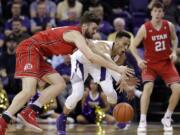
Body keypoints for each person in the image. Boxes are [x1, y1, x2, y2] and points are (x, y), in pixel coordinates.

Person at [0, 11, 132, 135]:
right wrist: (118, 69)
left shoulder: (83, 40)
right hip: (30, 48)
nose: (95, 31)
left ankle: (30, 111)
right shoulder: (76, 35)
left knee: (60, 84)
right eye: (93, 28)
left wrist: (117, 70)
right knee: (29, 91)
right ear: (85, 26)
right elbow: (91, 57)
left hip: (39, 54)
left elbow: (99, 55)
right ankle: (3, 120)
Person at [56, 31, 135, 134]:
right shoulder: (104, 46)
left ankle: (116, 113)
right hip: (81, 60)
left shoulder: (117, 55)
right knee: (77, 94)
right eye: (124, 44)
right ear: (116, 41)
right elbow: (109, 62)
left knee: (110, 92)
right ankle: (62, 118)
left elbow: (110, 66)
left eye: (128, 45)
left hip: (98, 64)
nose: (125, 48)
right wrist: (120, 76)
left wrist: (125, 84)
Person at [130, 2, 180, 132]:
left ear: (163, 13)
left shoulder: (169, 25)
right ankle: (142, 120)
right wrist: (139, 59)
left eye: (160, 11)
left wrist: (174, 52)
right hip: (150, 63)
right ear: (151, 12)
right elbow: (132, 46)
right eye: (155, 11)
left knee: (178, 89)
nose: (157, 13)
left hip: (166, 62)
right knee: (148, 87)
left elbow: (174, 39)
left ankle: (167, 117)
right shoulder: (144, 28)